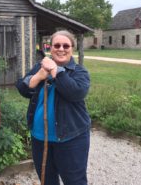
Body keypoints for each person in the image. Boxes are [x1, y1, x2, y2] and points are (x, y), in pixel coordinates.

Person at [16, 30, 91, 185]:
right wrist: (39, 76)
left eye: (66, 45)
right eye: (57, 45)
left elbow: (75, 93)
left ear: (72, 49)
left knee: (74, 181)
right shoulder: (40, 67)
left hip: (70, 138)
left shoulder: (79, 72)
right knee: (47, 180)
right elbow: (22, 88)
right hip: (40, 137)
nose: (61, 49)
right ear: (50, 47)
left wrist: (56, 71)